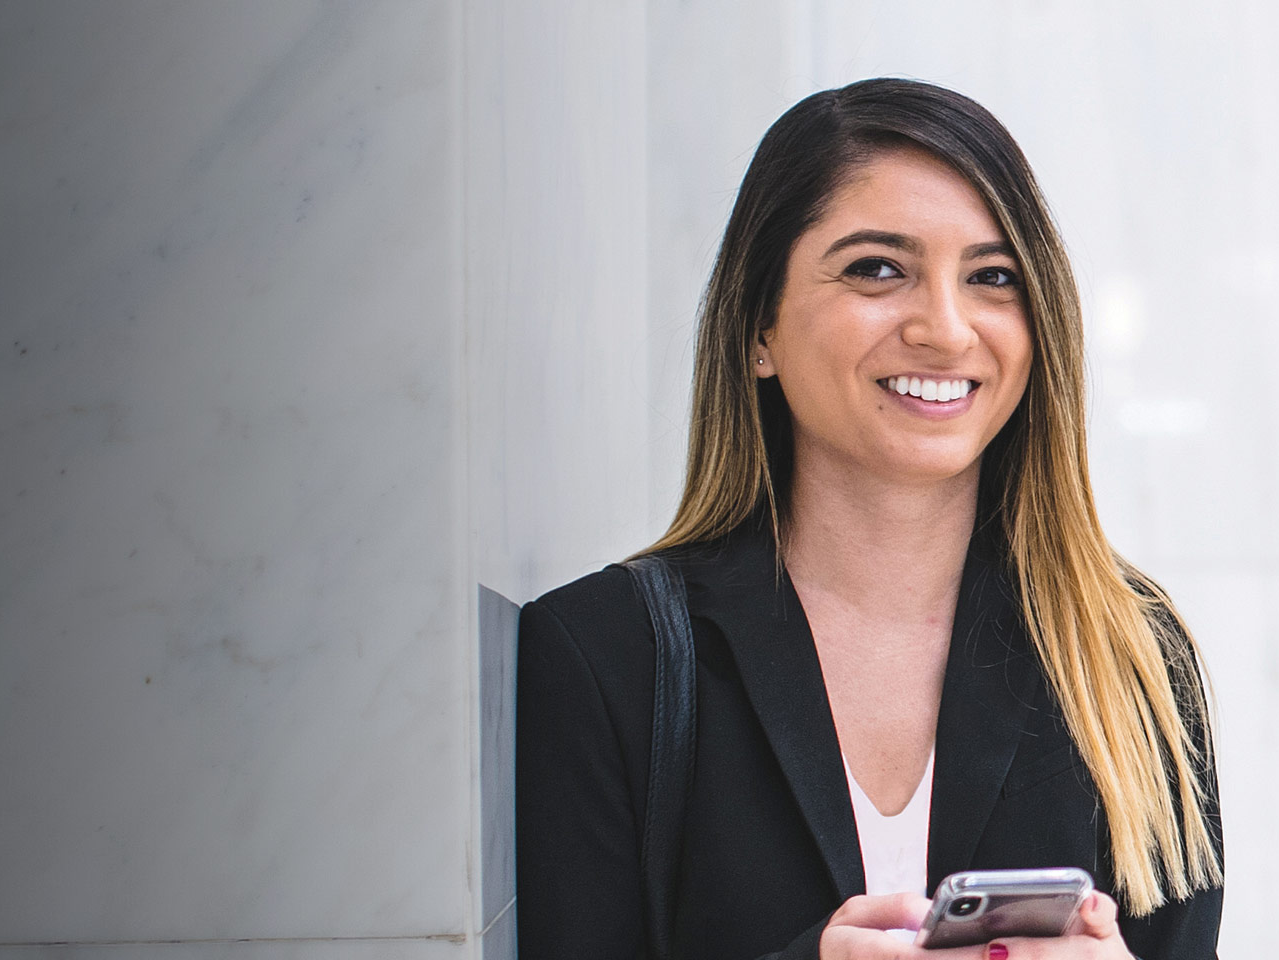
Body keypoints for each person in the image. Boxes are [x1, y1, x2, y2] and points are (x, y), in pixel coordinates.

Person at [516, 78, 1223, 960]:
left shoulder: (1129, 656)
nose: (946, 327)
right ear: (758, 326)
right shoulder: (604, 657)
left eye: (992, 277)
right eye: (877, 269)